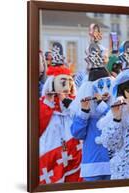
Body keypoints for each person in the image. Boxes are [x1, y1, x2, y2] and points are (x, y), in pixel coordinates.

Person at [69, 43, 113, 181]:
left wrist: (101, 105)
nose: (104, 91)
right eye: (99, 86)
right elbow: (77, 133)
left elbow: (113, 122)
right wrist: (84, 112)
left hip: (113, 163)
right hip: (92, 165)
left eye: (107, 85)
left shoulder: (114, 109)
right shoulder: (87, 115)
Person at [39, 42, 81, 184]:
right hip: (53, 142)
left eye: (69, 82)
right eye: (63, 82)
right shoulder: (45, 103)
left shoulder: (74, 102)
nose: (67, 86)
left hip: (72, 147)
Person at [96, 66, 129, 179]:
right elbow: (111, 143)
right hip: (123, 172)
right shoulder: (118, 109)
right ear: (123, 92)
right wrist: (116, 118)